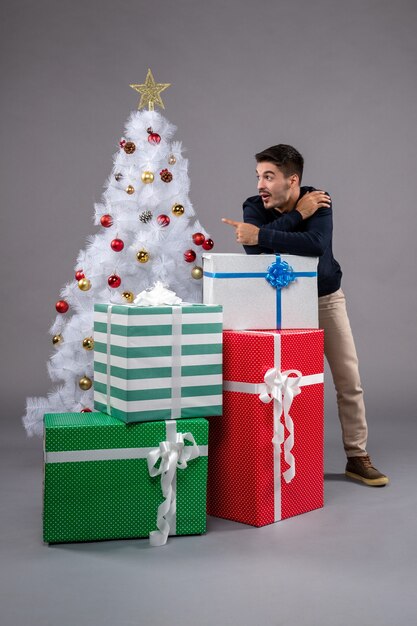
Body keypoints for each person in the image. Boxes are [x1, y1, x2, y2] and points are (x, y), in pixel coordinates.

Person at [222, 144, 388, 487]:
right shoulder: (254, 206)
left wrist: (264, 235)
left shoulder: (319, 199)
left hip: (325, 299)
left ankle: (357, 457)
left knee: (349, 380)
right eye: (258, 176)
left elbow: (315, 246)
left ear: (292, 180)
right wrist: (297, 217)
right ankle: (280, 462)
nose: (260, 185)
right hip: (278, 304)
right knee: (278, 384)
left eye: (269, 176)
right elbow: (253, 252)